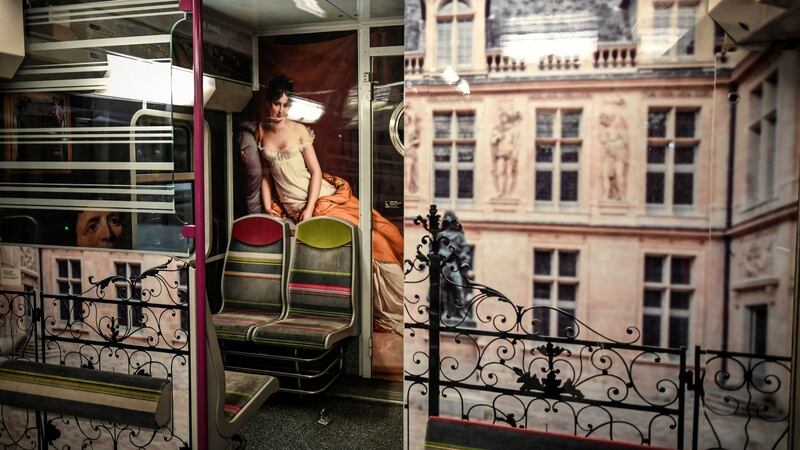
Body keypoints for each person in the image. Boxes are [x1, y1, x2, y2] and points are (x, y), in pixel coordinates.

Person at [257, 75, 404, 344]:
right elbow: (267, 175)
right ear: (268, 104)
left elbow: (315, 172)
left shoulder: (299, 130)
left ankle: (405, 307)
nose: (281, 110)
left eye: (286, 105)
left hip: (319, 199)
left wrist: (311, 209)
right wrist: (268, 207)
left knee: (374, 237)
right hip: (293, 207)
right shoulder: (260, 131)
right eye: (277, 104)